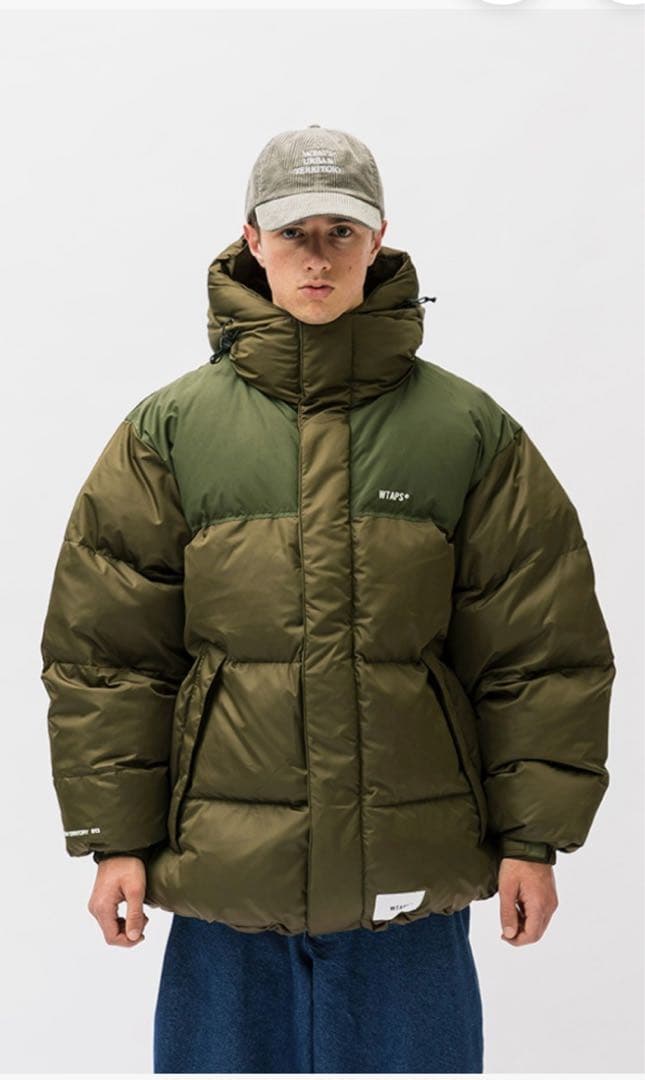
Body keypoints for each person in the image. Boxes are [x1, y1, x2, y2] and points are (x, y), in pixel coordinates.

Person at [39, 124, 616, 1074]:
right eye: (292, 232)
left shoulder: (466, 432)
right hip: (224, 888)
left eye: (340, 232)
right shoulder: (169, 432)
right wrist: (116, 841)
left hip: (410, 890)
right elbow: (109, 659)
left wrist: (533, 839)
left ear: (378, 239)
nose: (317, 256)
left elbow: (539, 653)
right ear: (251, 240)